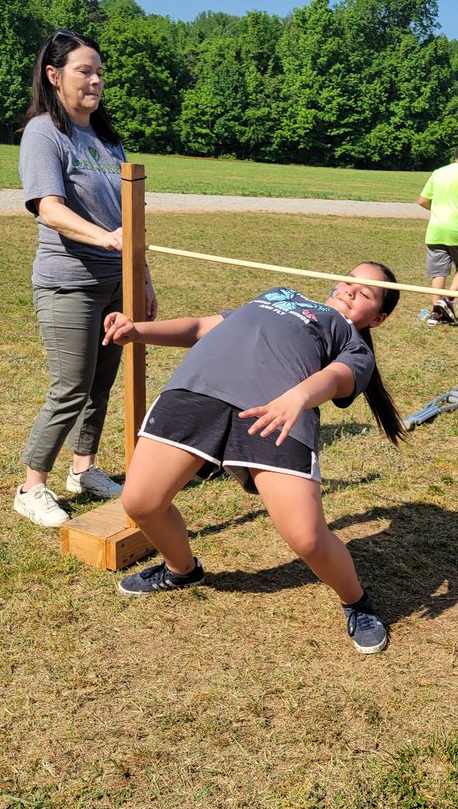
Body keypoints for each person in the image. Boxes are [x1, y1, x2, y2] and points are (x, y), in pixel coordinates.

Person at [102, 266, 403, 654]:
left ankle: (356, 601)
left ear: (377, 318)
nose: (350, 290)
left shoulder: (352, 344)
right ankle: (182, 570)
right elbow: (199, 328)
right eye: (349, 280)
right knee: (141, 502)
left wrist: (296, 398)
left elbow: (337, 379)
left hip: (276, 415)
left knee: (307, 538)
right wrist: (137, 330)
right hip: (197, 392)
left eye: (366, 293)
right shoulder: (280, 293)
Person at [15, 29, 157, 528]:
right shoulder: (43, 133)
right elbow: (48, 208)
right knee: (70, 387)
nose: (96, 80)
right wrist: (106, 240)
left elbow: (130, 218)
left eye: (99, 72)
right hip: (67, 281)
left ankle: (84, 469)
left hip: (116, 280)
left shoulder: (106, 139)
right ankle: (31, 486)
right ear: (54, 76)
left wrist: (142, 277)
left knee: (100, 383)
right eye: (84, 71)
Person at [417, 140, 458, 325]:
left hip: (436, 230)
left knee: (438, 272)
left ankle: (435, 314)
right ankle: (446, 300)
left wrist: (437, 210)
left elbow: (422, 200)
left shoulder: (438, 173)